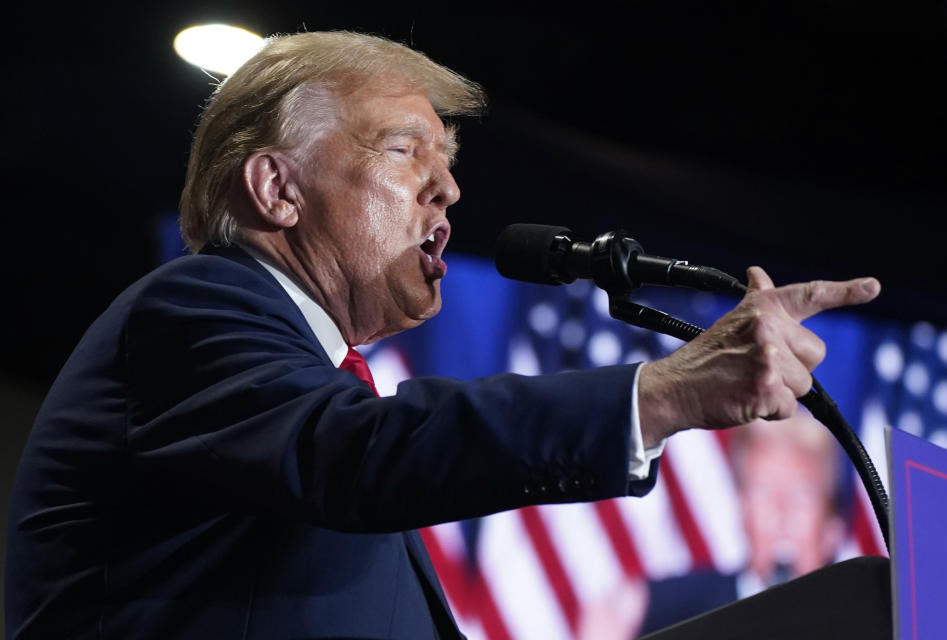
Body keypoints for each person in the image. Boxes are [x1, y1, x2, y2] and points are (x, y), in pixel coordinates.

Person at [4, 31, 880, 640]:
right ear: (276, 190)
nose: (448, 192)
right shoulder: (192, 308)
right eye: (403, 152)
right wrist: (665, 392)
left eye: (449, 166)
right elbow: (354, 453)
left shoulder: (304, 385)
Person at [638, 409, 848, 635]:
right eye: (763, 492)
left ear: (832, 530)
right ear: (742, 511)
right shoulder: (678, 613)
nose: (781, 512)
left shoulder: (866, 621)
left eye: (800, 496)